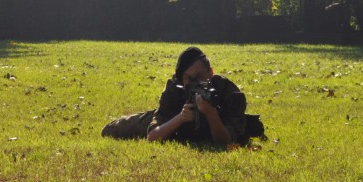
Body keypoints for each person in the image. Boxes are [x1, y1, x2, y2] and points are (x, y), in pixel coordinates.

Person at [102, 46, 259, 145]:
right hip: (173, 119)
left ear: (210, 72)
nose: (195, 83)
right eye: (189, 79)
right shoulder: (175, 90)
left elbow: (225, 142)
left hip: (215, 124)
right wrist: (181, 117)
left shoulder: (229, 93)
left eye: (199, 76)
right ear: (181, 80)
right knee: (111, 131)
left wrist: (211, 114)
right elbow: (152, 137)